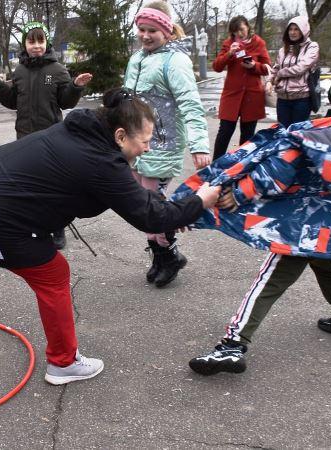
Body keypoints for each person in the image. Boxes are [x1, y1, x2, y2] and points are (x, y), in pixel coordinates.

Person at [0, 89, 221, 385]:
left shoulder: (81, 129)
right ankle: (63, 363)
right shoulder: (102, 161)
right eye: (145, 141)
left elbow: (140, 199)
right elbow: (151, 216)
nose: (147, 149)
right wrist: (200, 201)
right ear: (120, 135)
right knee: (53, 274)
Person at [179, 58, 331, 375]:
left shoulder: (310, 133)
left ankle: (233, 345)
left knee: (270, 280)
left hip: (302, 225)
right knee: (326, 262)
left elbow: (278, 171)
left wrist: (243, 192)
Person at [123, 1, 211, 288]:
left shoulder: (175, 61)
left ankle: (169, 253)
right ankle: (161, 254)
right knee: (142, 203)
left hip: (163, 144)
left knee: (153, 205)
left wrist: (199, 145)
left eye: (152, 31)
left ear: (167, 31)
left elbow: (190, 103)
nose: (146, 36)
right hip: (137, 145)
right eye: (141, 29)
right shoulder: (137, 58)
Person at [0, 21, 93, 250]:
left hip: (51, 138)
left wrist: (74, 86)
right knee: (28, 185)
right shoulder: (20, 71)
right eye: (31, 41)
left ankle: (58, 227)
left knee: (53, 185)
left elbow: (65, 101)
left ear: (47, 42)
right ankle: (34, 225)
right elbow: (13, 100)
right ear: (24, 44)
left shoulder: (57, 70)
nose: (36, 46)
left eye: (40, 40)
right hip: (24, 138)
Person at [212, 15, 271, 160]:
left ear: (248, 27)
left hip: (252, 96)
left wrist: (254, 66)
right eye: (235, 31)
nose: (239, 34)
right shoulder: (229, 43)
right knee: (224, 132)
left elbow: (267, 68)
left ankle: (241, 167)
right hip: (232, 95)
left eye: (241, 30)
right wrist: (229, 53)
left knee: (247, 136)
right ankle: (215, 166)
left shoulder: (258, 43)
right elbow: (217, 67)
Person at [267, 16, 320, 128]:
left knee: (297, 135)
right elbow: (275, 69)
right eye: (290, 29)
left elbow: (301, 68)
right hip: (282, 99)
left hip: (301, 100)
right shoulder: (283, 50)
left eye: (296, 29)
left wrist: (281, 74)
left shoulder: (312, 47)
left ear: (303, 30)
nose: (293, 32)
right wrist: (269, 81)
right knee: (282, 133)